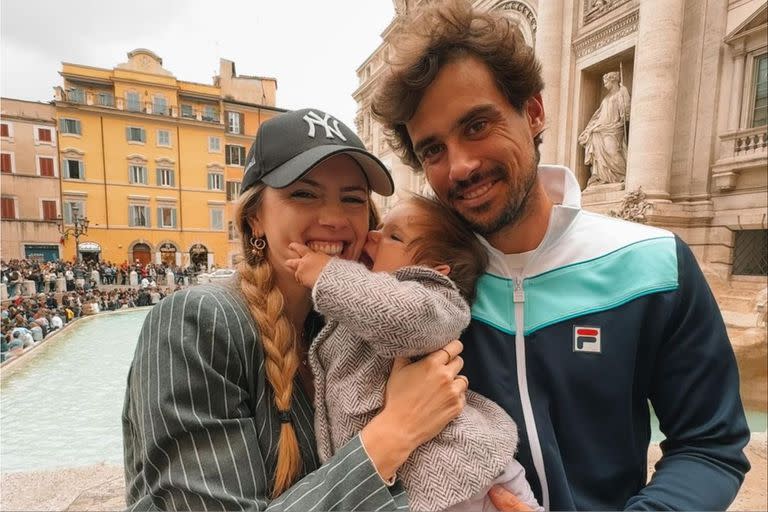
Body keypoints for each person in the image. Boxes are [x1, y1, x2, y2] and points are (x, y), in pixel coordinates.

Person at [370, 1, 751, 510]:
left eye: (477, 126)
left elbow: (710, 445)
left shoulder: (655, 264)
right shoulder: (419, 290)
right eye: (432, 150)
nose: (459, 166)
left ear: (533, 113)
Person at [122, 108, 470, 510]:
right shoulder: (197, 323)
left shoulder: (351, 326)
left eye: (353, 199)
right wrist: (394, 432)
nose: (334, 218)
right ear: (255, 218)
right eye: (304, 193)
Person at [286, 194, 541, 512]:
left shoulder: (437, 298)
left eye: (394, 236)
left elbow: (401, 315)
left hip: (464, 476)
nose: (371, 236)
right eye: (380, 228)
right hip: (420, 484)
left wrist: (328, 275)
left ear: (435, 271)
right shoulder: (360, 305)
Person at [577, 71, 631, 186]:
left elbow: (626, 111)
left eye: (606, 81)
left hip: (614, 128)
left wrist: (625, 112)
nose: (604, 84)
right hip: (600, 129)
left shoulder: (622, 91)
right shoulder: (606, 97)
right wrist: (589, 129)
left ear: (613, 80)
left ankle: (623, 175)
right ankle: (601, 176)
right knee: (598, 153)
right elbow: (598, 115)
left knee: (613, 151)